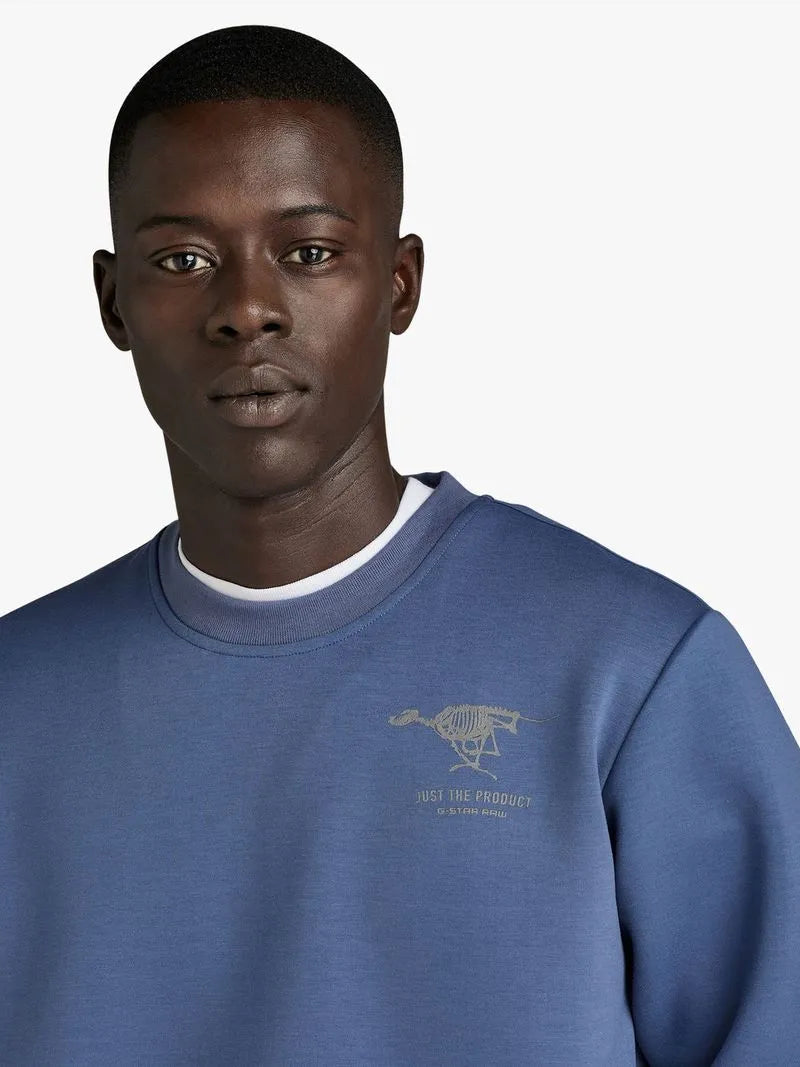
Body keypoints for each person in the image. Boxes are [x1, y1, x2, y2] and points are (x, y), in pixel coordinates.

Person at [1, 23, 798, 1067]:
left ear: (400, 282)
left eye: (309, 252)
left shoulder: (633, 670)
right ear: (114, 302)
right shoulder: (16, 699)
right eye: (183, 259)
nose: (247, 309)